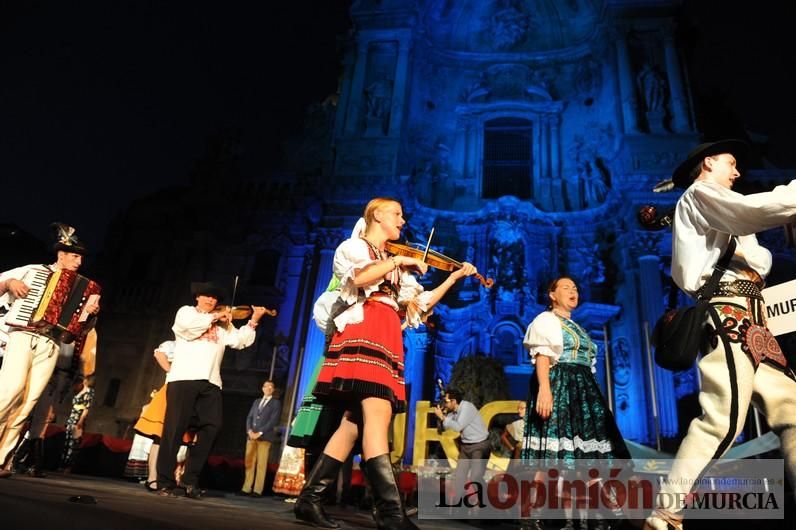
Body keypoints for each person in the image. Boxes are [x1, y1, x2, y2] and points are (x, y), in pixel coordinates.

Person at [293, 197, 478, 530]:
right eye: (397, 214)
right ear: (376, 215)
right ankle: (391, 513)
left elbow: (418, 305)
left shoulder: (394, 262)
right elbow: (361, 279)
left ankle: (310, 500)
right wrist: (397, 262)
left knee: (353, 425)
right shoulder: (354, 247)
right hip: (365, 331)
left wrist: (452, 279)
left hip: (387, 331)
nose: (403, 220)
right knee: (377, 418)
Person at [644, 140, 796, 530]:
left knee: (793, 412)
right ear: (708, 163)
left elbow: (759, 257)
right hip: (726, 315)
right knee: (723, 420)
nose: (738, 171)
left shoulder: (721, 210)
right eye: (731, 163)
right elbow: (753, 212)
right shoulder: (699, 194)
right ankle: (665, 513)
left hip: (754, 318)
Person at [522, 276, 629, 530]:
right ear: (552, 294)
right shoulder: (546, 320)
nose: (573, 292)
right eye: (566, 288)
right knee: (552, 453)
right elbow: (542, 357)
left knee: (585, 454)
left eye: (576, 289)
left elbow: (587, 366)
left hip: (583, 391)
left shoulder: (577, 327)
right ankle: (531, 515)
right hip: (561, 387)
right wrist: (545, 391)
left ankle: (597, 514)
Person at [0, 223, 100, 478]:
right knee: (9, 392)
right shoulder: (33, 270)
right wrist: (10, 282)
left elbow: (77, 330)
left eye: (81, 258)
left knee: (28, 401)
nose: (79, 262)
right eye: (75, 256)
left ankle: (3, 458)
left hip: (53, 342)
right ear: (61, 255)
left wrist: (89, 316)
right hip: (23, 334)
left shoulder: (86, 287)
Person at [155, 282, 268, 499]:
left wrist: (253, 320)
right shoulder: (187, 313)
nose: (211, 301)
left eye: (215, 299)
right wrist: (216, 317)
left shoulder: (223, 326)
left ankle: (189, 480)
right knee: (174, 430)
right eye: (207, 297)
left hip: (212, 382)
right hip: (184, 378)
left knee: (213, 426)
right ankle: (164, 481)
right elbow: (189, 329)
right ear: (197, 297)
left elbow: (239, 341)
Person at [433, 387, 491, 501]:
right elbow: (444, 428)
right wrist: (441, 418)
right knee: (459, 477)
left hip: (479, 445)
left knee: (476, 478)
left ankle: (486, 505)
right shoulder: (453, 411)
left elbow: (458, 426)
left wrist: (443, 417)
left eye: (447, 401)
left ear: (454, 401)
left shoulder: (467, 407)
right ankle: (459, 506)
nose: (445, 403)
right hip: (466, 446)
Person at [238, 380, 281, 497]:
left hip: (265, 437)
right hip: (251, 436)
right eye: (266, 386)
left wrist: (260, 433)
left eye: (271, 387)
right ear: (263, 388)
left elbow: (273, 421)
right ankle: (246, 488)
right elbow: (249, 417)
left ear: (273, 390)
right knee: (249, 462)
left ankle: (257, 490)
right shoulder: (257, 401)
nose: (268, 389)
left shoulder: (275, 403)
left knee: (261, 464)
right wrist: (249, 431)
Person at [59, 373, 95, 472]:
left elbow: (86, 408)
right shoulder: (78, 391)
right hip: (72, 417)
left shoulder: (89, 392)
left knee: (74, 443)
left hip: (78, 418)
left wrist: (81, 420)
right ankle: (62, 464)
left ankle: (69, 466)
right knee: (67, 441)